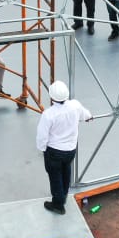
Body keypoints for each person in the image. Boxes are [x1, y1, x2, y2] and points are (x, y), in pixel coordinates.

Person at [35, 79, 91, 214]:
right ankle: (64, 194)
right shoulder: (75, 105)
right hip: (71, 150)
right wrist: (90, 117)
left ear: (51, 96)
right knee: (66, 170)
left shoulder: (48, 114)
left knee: (55, 176)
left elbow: (42, 135)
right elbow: (86, 115)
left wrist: (42, 149)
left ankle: (58, 205)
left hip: (54, 152)